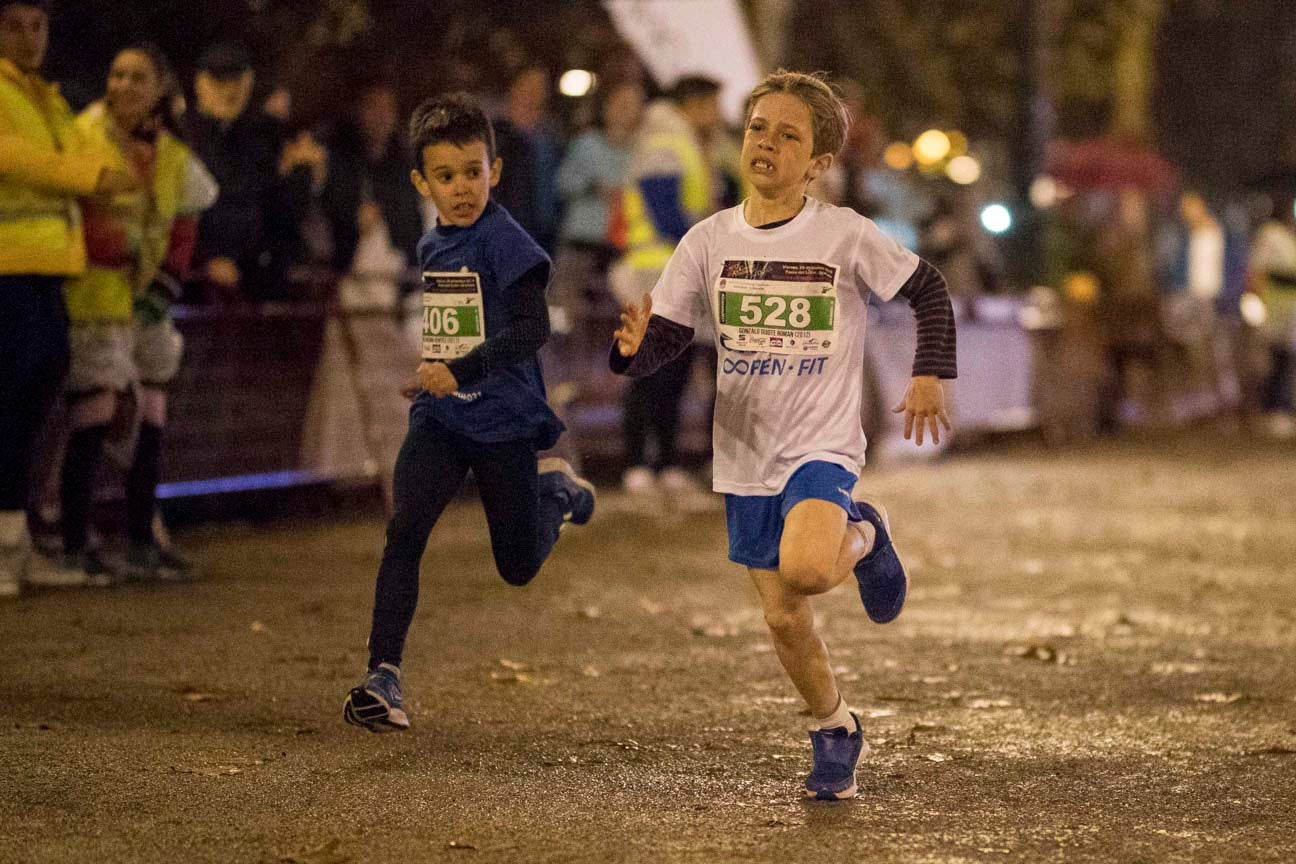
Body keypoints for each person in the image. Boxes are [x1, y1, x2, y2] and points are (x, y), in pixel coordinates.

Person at [611, 71, 956, 799]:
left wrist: (929, 375)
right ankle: (836, 728)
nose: (766, 143)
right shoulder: (708, 240)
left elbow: (928, 289)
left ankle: (863, 534)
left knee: (803, 568)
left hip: (822, 446)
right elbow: (666, 341)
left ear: (819, 163)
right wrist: (631, 348)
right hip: (745, 453)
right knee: (783, 618)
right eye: (757, 128)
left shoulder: (842, 233)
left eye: (788, 134)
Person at [343, 94, 596, 733]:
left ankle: (556, 491)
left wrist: (460, 369)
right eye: (446, 177)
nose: (461, 189)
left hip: (504, 417)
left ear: (496, 171)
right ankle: (384, 676)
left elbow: (533, 328)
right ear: (420, 182)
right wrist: (435, 373)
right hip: (443, 417)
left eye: (473, 173)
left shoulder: (507, 241)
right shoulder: (432, 245)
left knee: (516, 567)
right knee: (405, 530)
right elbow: (453, 330)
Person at [51, 44, 217, 585]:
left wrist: (164, 281)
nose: (123, 85)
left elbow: (185, 223)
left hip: (146, 300)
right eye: (117, 74)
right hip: (97, 294)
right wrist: (119, 249)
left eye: (137, 77)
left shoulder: (170, 154)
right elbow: (72, 210)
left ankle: (142, 539)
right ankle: (75, 541)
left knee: (151, 411)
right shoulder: (83, 134)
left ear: (161, 88)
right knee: (96, 409)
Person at [0, 0, 134, 597]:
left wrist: (100, 169)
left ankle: (15, 545)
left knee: (29, 410)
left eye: (38, 26)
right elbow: (22, 160)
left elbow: (80, 154)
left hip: (46, 268)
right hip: (9, 269)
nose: (30, 39)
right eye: (14, 26)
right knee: (13, 408)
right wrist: (95, 177)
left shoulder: (42, 96)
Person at [612, 75, 724, 495]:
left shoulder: (681, 142)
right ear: (693, 104)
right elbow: (665, 214)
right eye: (713, 105)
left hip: (672, 270)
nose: (717, 115)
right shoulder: (664, 142)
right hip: (655, 272)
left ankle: (666, 463)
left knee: (674, 372)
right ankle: (639, 463)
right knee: (650, 370)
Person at [183, 42, 323, 302]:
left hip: (250, 286)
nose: (228, 90)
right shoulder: (182, 138)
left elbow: (276, 210)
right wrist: (206, 259)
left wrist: (303, 176)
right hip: (195, 289)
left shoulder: (257, 140)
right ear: (200, 82)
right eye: (218, 80)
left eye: (236, 80)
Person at [549, 79, 644, 346]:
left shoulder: (642, 149)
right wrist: (592, 186)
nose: (626, 111)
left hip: (622, 243)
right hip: (583, 238)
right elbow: (562, 183)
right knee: (567, 311)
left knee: (615, 314)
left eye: (632, 106)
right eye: (620, 104)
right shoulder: (587, 144)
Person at [492, 66, 562, 254]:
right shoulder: (497, 135)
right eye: (529, 86)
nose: (535, 93)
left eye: (541, 88)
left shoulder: (551, 138)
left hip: (545, 232)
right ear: (514, 89)